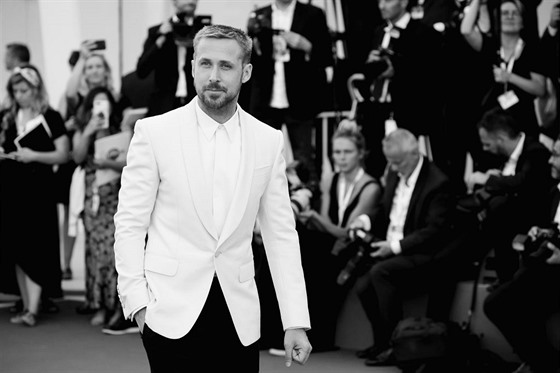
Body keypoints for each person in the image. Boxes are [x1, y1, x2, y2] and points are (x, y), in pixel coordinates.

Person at [114, 25, 312, 372]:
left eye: (226, 66)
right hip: (169, 314)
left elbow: (281, 234)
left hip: (240, 318)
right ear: (191, 67)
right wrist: (137, 304)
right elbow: (130, 223)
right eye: (205, 64)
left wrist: (294, 319)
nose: (214, 76)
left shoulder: (268, 141)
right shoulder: (155, 133)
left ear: (246, 72)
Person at [347, 128, 454, 367]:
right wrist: (364, 220)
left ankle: (397, 347)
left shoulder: (438, 183)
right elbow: (384, 210)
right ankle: (382, 342)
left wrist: (395, 247)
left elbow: (434, 231)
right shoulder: (395, 174)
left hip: (423, 254)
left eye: (397, 162)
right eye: (389, 161)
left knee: (380, 273)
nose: (393, 167)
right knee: (363, 286)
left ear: (414, 154)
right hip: (391, 248)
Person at [295, 122, 382, 352]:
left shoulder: (370, 187)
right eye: (336, 152)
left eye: (347, 152)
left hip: (355, 250)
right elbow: (326, 224)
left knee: (318, 262)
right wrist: (312, 219)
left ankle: (321, 337)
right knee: (301, 242)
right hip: (332, 244)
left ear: (361, 154)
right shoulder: (330, 180)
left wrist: (314, 216)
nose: (341, 158)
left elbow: (347, 232)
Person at [0, 65, 70, 326]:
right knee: (16, 249)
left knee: (37, 247)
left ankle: (32, 308)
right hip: (9, 189)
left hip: (38, 192)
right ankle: (28, 304)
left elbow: (64, 154)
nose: (19, 95)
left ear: (35, 89)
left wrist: (34, 156)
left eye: (24, 90)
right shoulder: (7, 116)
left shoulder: (50, 116)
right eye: (15, 91)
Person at [483, 137, 560, 373]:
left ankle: (545, 365)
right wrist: (545, 231)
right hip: (547, 263)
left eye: (557, 155)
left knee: (501, 303)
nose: (550, 160)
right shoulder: (555, 192)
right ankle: (540, 363)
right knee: (508, 299)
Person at [355, 0, 445, 179]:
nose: (381, 5)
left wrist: (397, 67)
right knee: (375, 164)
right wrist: (371, 63)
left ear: (404, 2)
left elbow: (430, 75)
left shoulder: (424, 33)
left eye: (388, 0)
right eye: (379, 1)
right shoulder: (379, 31)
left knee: (410, 165)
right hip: (377, 109)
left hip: (408, 111)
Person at [246, 0, 334, 182]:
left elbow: (326, 58)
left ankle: (309, 200)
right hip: (265, 98)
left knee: (306, 160)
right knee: (261, 159)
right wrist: (254, 44)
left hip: (300, 98)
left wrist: (306, 46)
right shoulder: (259, 14)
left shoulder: (313, 14)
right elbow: (248, 59)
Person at [71, 86, 135, 335]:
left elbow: (131, 162)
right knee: (95, 253)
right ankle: (99, 305)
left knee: (114, 253)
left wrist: (107, 162)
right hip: (92, 197)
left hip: (116, 197)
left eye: (104, 102)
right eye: (96, 103)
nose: (100, 107)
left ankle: (118, 307)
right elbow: (76, 157)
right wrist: (87, 132)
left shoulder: (121, 128)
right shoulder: (84, 127)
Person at [464, 107, 551, 289]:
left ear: (500, 139)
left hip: (532, 215)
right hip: (504, 216)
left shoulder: (536, 151)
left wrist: (488, 179)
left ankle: (507, 278)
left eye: (487, 144)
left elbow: (523, 182)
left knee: (499, 208)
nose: (485, 149)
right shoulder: (502, 156)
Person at [460, 0, 546, 138]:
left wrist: (510, 77)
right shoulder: (491, 46)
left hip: (523, 121)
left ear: (523, 20)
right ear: (497, 19)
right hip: (493, 123)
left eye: (515, 13)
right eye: (504, 13)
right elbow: (466, 30)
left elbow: (540, 89)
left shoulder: (532, 50)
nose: (509, 17)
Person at [136, 0, 210, 116]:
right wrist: (159, 39)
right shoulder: (158, 31)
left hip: (197, 102)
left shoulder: (205, 31)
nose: (191, 0)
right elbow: (142, 71)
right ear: (174, 2)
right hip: (165, 104)